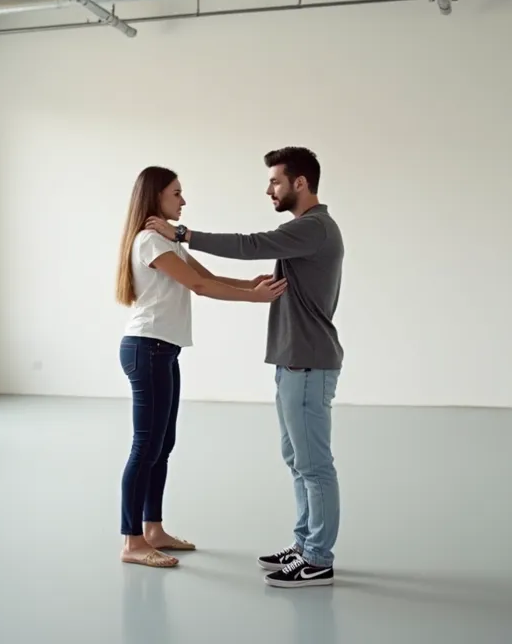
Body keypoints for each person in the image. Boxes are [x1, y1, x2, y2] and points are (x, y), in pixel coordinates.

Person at [144, 147, 344, 588]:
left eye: (275, 181)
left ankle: (318, 558)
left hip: (309, 363)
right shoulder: (304, 230)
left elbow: (251, 245)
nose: (269, 188)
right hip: (295, 362)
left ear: (301, 184)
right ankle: (303, 545)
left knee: (314, 464)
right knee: (297, 459)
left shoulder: (314, 228)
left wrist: (184, 234)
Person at [116, 166, 289, 569]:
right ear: (155, 197)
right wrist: (255, 300)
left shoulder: (168, 242)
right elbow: (200, 288)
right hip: (147, 349)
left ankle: (153, 529)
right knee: (145, 447)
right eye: (176, 193)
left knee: (163, 445)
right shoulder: (147, 242)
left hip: (164, 349)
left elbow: (207, 275)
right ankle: (132, 542)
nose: (183, 200)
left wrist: (252, 284)